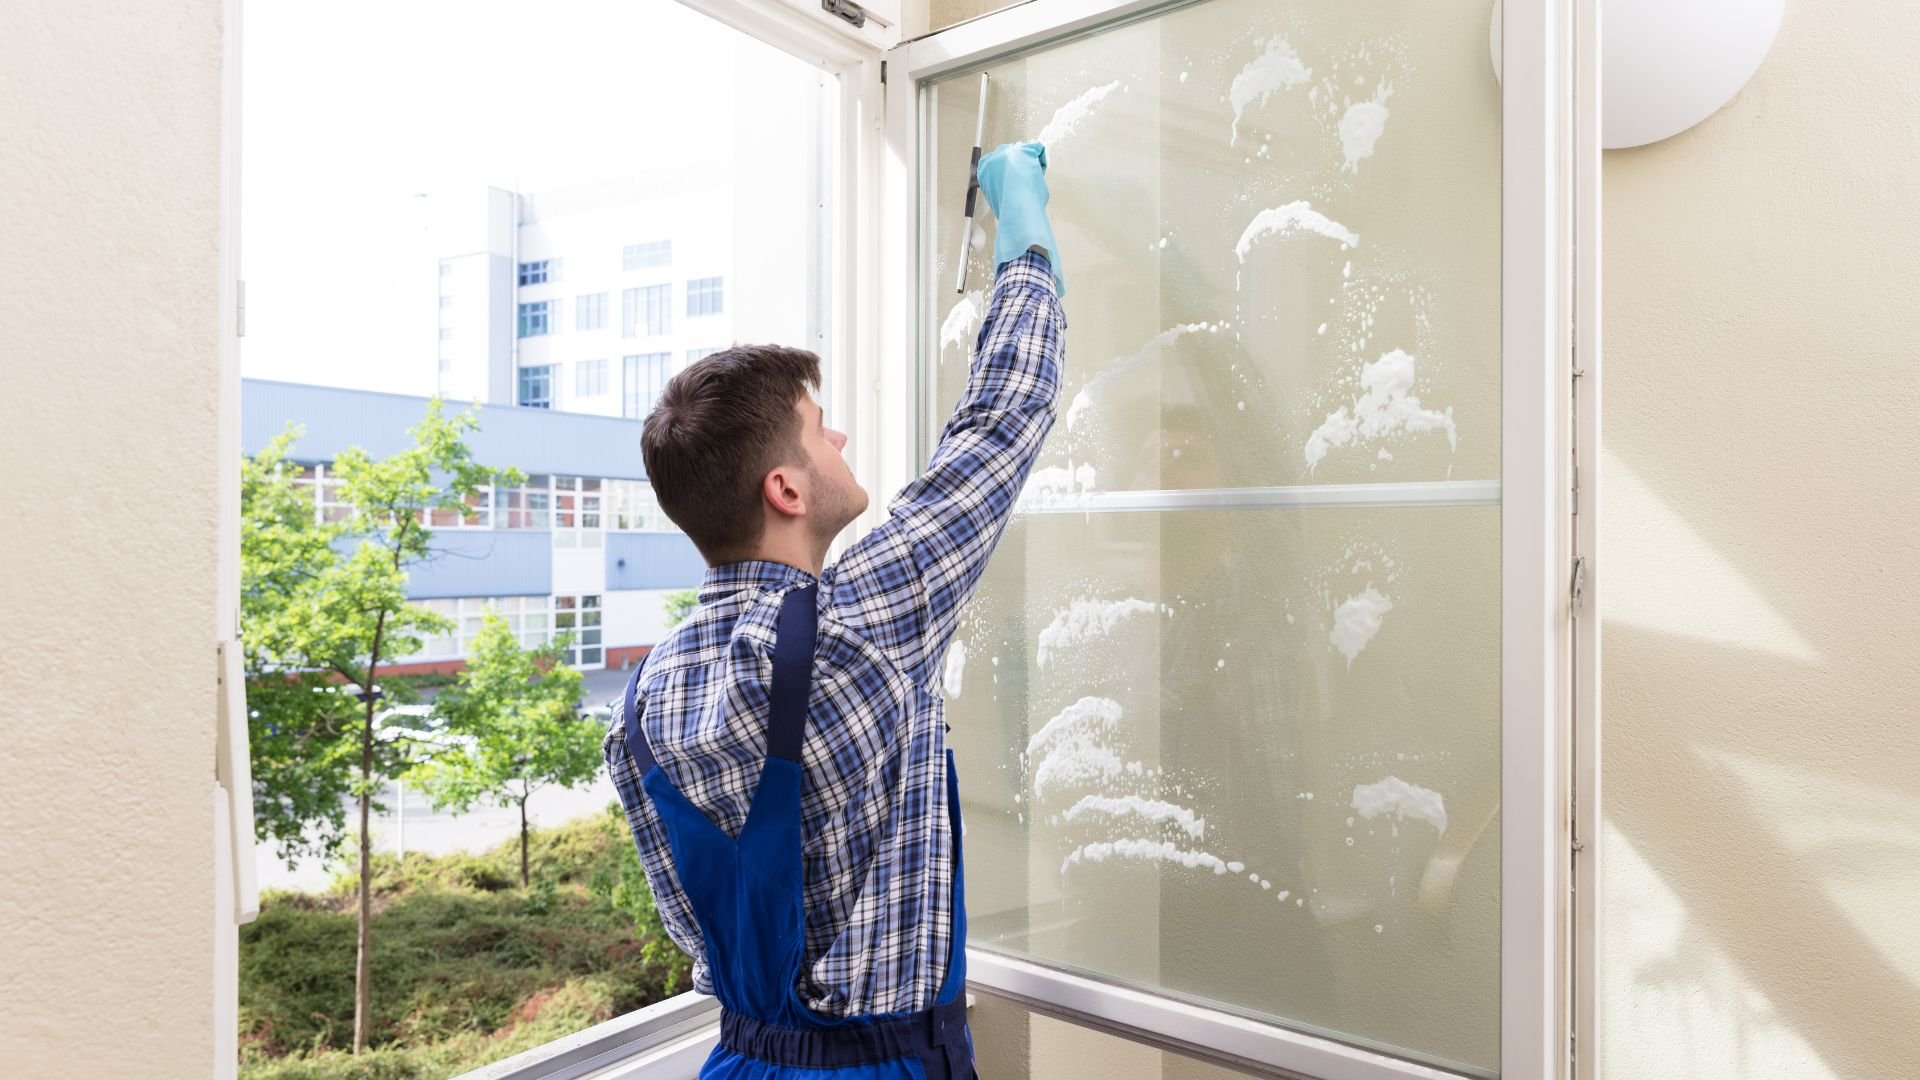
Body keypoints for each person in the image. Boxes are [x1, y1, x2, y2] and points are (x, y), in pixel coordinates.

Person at [602, 141, 1064, 1079]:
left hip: (739, 1062)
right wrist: (1027, 237)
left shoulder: (643, 701)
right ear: (786, 487)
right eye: (821, 427)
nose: (841, 435)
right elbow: (1003, 419)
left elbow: (698, 925)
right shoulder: (861, 622)